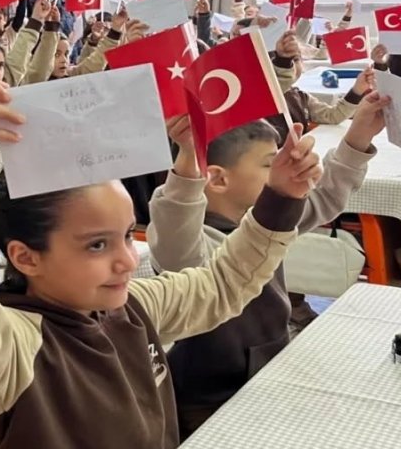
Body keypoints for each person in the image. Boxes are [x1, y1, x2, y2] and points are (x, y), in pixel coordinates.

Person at [0, 77, 321, 448]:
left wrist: (281, 196)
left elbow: (225, 283)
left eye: (127, 235)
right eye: (96, 246)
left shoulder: (132, 308)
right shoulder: (11, 351)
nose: (127, 260)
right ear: (25, 257)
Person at [150, 101, 384, 436]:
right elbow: (175, 223)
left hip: (271, 366)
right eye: (268, 164)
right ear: (216, 178)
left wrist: (359, 134)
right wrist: (189, 156)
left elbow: (324, 198)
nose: (281, 170)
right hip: (209, 396)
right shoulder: (189, 244)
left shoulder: (264, 220)